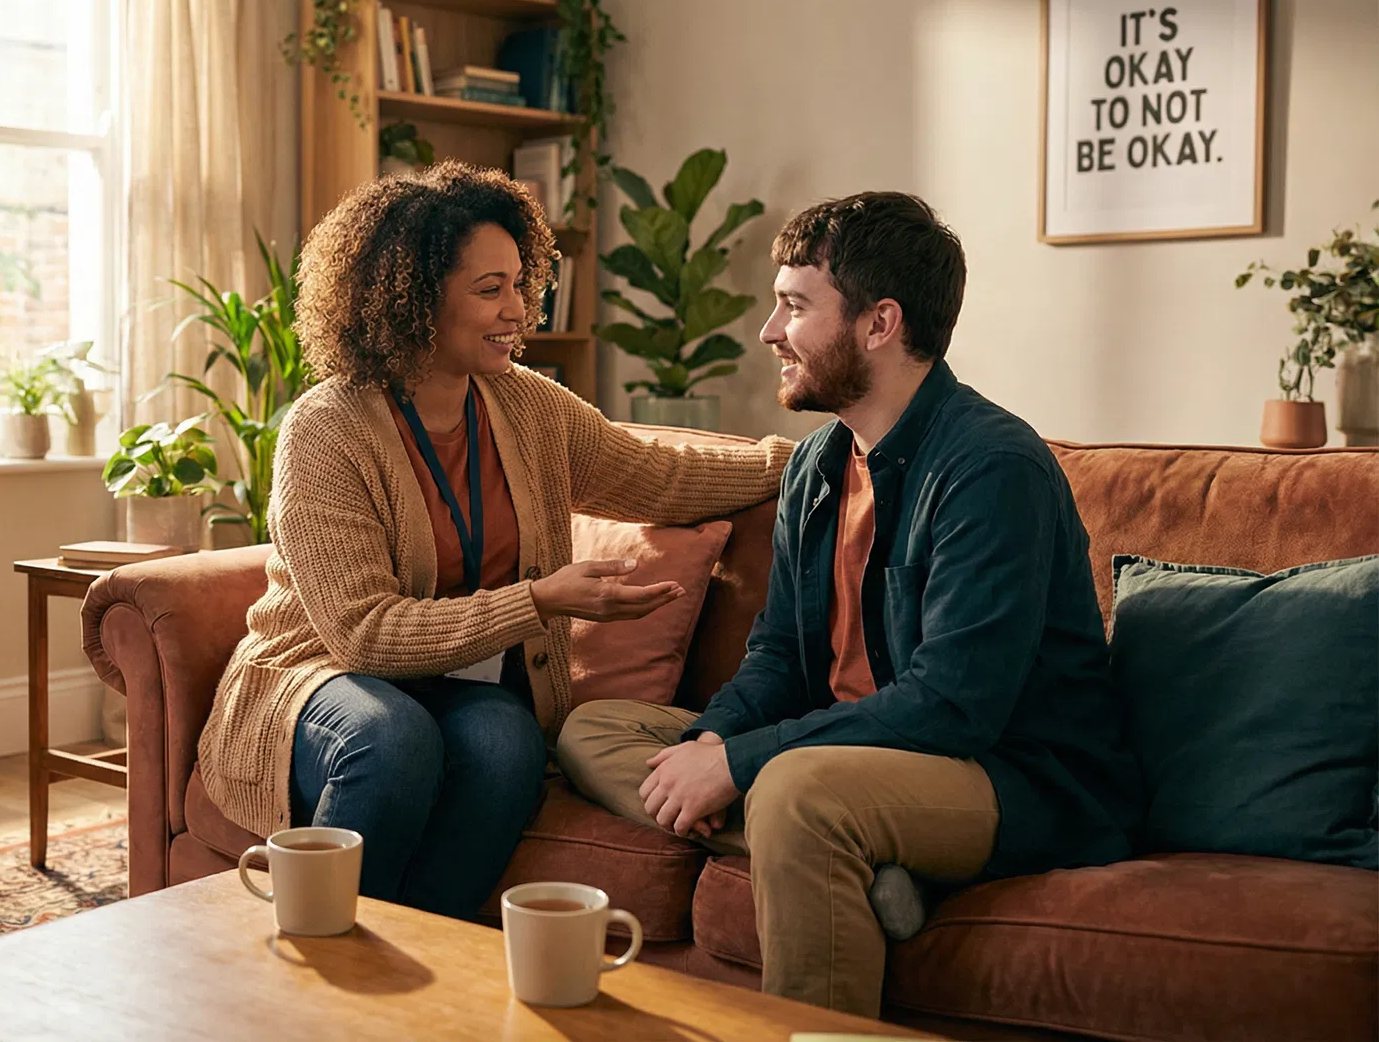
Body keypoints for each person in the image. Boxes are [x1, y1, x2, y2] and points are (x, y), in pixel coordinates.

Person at [557, 191, 1140, 1017]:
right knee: (597, 730)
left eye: (794, 305)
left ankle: (828, 841)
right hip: (852, 756)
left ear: (879, 323)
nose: (768, 331)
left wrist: (740, 766)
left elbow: (953, 707)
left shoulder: (992, 468)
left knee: (800, 793)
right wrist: (715, 739)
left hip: (1012, 777)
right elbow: (782, 657)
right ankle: (866, 863)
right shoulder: (818, 464)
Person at [193, 162, 795, 921]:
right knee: (391, 740)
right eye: (490, 290)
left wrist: (809, 456)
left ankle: (428, 966)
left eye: (521, 283)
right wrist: (540, 599)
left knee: (509, 748)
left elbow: (660, 477)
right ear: (411, 299)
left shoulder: (529, 407)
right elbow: (363, 635)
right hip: (322, 672)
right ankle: (321, 970)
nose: (518, 310)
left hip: (459, 681)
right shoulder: (327, 429)